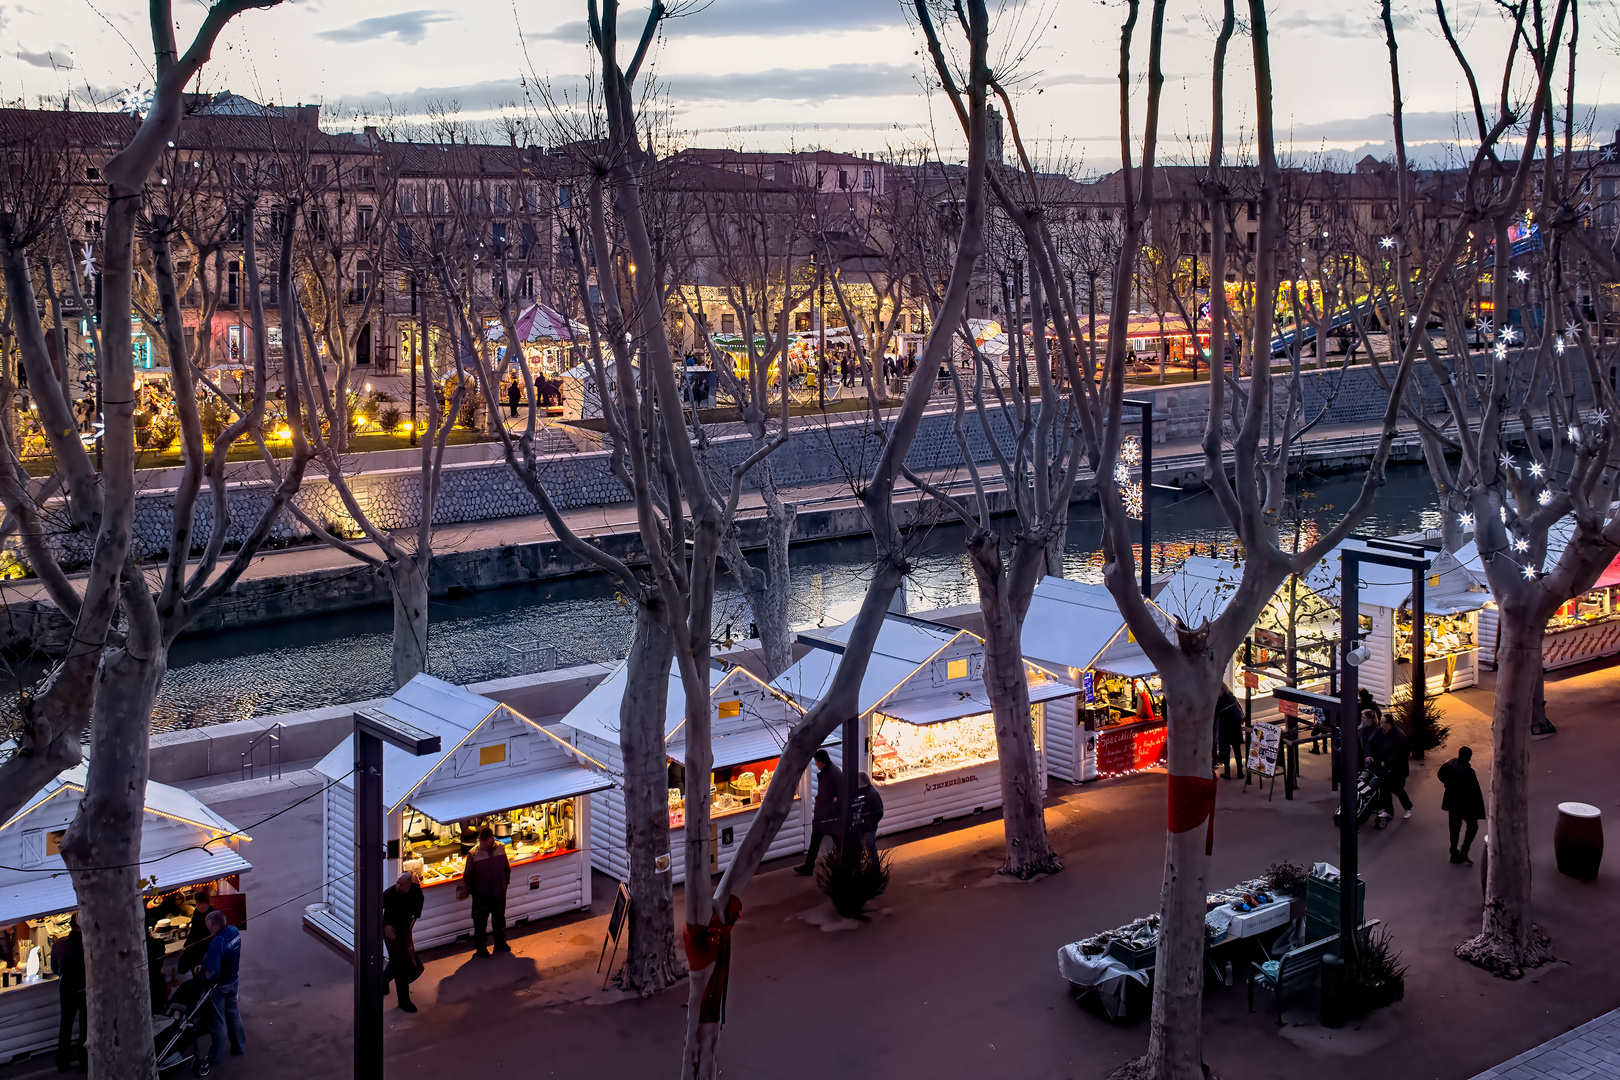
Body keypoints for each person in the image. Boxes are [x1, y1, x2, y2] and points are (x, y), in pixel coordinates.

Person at [198, 910, 244, 1066]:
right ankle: (239, 1046)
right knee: (234, 1013)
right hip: (233, 980)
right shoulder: (234, 931)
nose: (207, 929)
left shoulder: (216, 943)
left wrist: (203, 977)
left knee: (218, 1021)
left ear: (214, 926)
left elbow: (213, 973)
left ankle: (215, 1057)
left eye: (208, 926)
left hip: (220, 986)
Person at [461, 826, 511, 956]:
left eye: (485, 841)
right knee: (480, 923)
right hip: (481, 895)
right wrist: (473, 891)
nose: (482, 843)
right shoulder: (473, 854)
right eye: (481, 840)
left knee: (499, 919)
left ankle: (500, 942)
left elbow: (507, 868)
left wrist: (504, 884)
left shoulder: (500, 848)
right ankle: (481, 948)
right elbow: (467, 876)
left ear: (491, 839)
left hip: (499, 892)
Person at [794, 750, 843, 876]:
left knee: (832, 841)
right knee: (822, 841)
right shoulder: (832, 771)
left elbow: (841, 794)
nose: (816, 764)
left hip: (827, 816)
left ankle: (812, 867)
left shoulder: (833, 774)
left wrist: (833, 803)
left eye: (816, 761)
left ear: (820, 761)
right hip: (826, 816)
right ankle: (811, 866)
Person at [382, 872, 424, 1012]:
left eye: (402, 884)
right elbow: (373, 912)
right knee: (402, 966)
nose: (398, 886)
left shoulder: (416, 893)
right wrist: (384, 927)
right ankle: (404, 1001)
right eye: (397, 882)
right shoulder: (389, 894)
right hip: (390, 932)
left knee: (401, 963)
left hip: (404, 932)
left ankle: (383, 981)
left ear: (409, 885)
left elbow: (416, 913)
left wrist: (409, 929)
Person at [1438, 745, 1486, 864]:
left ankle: (1454, 853)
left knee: (1454, 829)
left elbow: (1440, 774)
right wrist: (1478, 810)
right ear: (1469, 757)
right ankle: (1464, 851)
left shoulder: (1450, 763)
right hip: (1465, 806)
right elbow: (1475, 792)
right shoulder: (1469, 772)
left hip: (1451, 802)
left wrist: (1447, 784)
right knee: (1473, 826)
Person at [53, 915, 85, 1073]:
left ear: (71, 926)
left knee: (65, 1026)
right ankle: (85, 1062)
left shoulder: (59, 944)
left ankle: (63, 1063)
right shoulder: (89, 944)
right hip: (86, 989)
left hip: (66, 989)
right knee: (85, 1027)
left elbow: (54, 969)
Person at [1369, 712, 1412, 829]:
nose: (1381, 725)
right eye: (1380, 722)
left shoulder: (1399, 736)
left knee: (1397, 789)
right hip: (1387, 769)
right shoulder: (1383, 732)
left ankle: (1408, 807)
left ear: (1390, 724)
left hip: (1398, 770)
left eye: (1383, 723)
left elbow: (1397, 753)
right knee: (1384, 789)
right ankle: (1389, 811)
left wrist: (1386, 762)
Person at [1214, 684, 1246, 779]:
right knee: (1237, 750)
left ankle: (1227, 772)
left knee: (1226, 752)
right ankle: (1240, 772)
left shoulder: (1219, 701)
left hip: (1225, 729)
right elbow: (1240, 711)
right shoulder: (1232, 697)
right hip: (1235, 728)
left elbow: (1215, 715)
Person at [853, 772, 884, 864]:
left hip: (868, 827)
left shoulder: (871, 794)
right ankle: (871, 868)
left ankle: (873, 868)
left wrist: (868, 822)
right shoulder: (869, 792)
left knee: (870, 848)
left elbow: (879, 812)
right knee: (867, 849)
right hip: (863, 825)